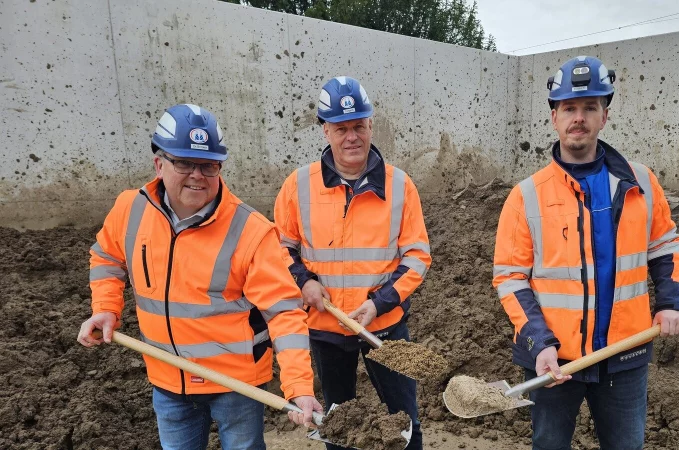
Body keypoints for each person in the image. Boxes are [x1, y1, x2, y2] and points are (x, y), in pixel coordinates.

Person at [76, 104, 322, 450]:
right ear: (158, 164)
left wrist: (298, 387)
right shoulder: (129, 210)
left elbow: (283, 312)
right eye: (184, 163)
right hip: (167, 378)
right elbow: (106, 257)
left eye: (208, 165)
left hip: (236, 386)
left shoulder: (250, 230)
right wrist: (105, 308)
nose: (197, 175)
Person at [492, 56, 679, 449]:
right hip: (555, 361)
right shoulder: (526, 196)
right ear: (554, 117)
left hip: (626, 353)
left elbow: (664, 245)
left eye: (589, 107)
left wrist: (672, 300)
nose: (578, 117)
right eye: (569, 108)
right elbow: (510, 276)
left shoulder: (641, 183)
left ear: (605, 115)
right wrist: (539, 341)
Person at [273, 76, 431, 450]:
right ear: (325, 130)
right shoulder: (298, 186)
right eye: (341, 128)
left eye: (358, 126)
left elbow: (417, 255)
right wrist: (304, 282)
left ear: (371, 125)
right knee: (337, 422)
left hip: (385, 325)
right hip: (326, 326)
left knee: (406, 419)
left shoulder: (399, 185)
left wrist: (380, 302)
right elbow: (279, 247)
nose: (351, 137)